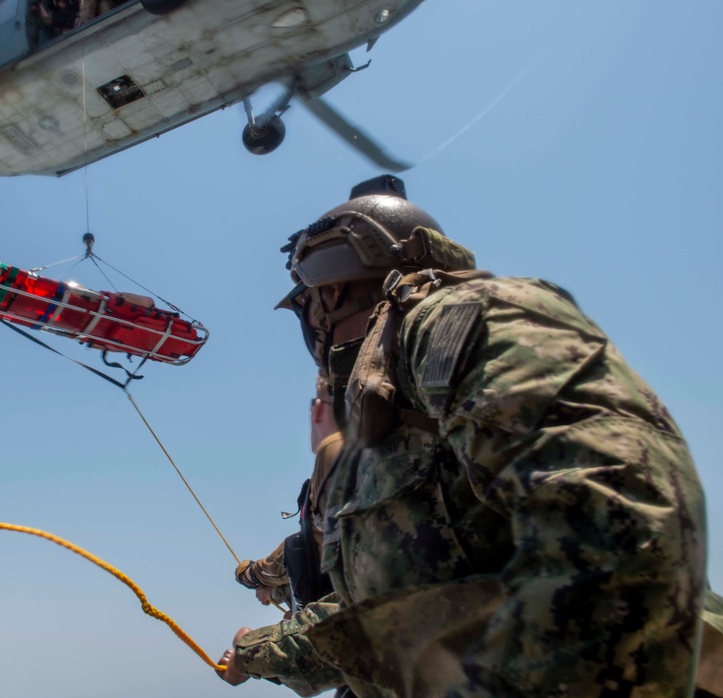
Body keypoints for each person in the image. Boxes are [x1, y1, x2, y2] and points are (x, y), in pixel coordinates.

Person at [217, 175, 723, 697]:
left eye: (310, 306)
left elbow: (621, 521)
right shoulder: (398, 414)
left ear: (330, 293)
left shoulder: (447, 323)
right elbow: (410, 600)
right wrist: (262, 653)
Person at [234, 375, 344, 611]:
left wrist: (252, 574)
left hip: (354, 617)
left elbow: (305, 548)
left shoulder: (334, 453)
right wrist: (274, 590)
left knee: (246, 648)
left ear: (318, 412)